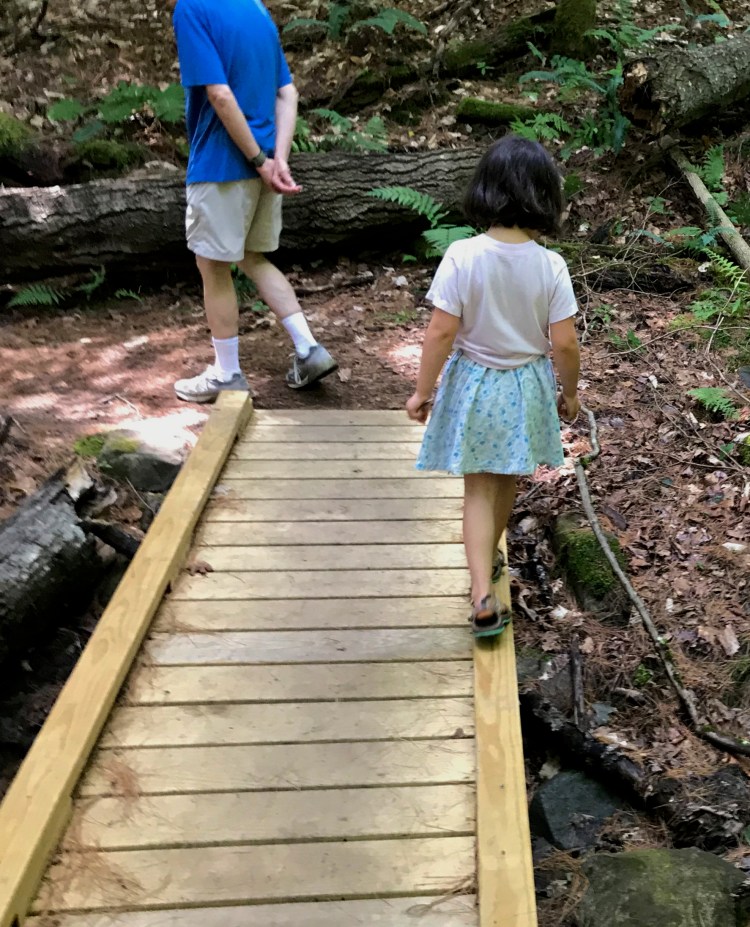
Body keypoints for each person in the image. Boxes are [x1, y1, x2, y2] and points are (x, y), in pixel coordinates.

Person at [406, 135, 581, 638]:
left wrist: (422, 390)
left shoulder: (463, 255)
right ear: (544, 195)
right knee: (505, 481)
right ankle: (487, 569)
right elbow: (564, 344)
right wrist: (568, 393)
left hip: (475, 386)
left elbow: (441, 331)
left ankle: (481, 592)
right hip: (525, 386)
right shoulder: (550, 265)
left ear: (486, 190)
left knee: (478, 490)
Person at [169, 0, 337, 402]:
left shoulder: (193, 9)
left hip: (222, 164)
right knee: (253, 257)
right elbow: (287, 92)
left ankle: (227, 373)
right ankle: (309, 348)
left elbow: (220, 94)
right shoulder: (257, 10)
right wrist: (277, 158)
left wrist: (260, 161)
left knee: (213, 266)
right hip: (262, 161)